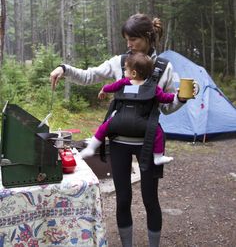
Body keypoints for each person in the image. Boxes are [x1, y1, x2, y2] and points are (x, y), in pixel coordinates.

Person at [50, 13, 196, 247]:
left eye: (134, 39)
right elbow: (90, 75)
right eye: (127, 39)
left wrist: (183, 99)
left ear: (148, 37)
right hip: (118, 143)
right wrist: (63, 69)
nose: (129, 44)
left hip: (148, 142)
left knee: (150, 199)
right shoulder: (120, 63)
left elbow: (167, 107)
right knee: (123, 199)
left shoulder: (164, 68)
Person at [80, 52, 177, 165]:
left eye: (126, 70)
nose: (124, 72)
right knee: (158, 132)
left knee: (103, 127)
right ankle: (158, 157)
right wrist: (177, 97)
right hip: (143, 123)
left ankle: (91, 148)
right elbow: (165, 98)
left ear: (134, 73)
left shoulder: (124, 82)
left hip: (119, 120)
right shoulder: (153, 87)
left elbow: (112, 87)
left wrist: (104, 90)